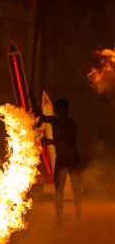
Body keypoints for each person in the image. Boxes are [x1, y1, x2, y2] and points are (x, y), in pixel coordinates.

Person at [29, 91, 82, 230]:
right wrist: (32, 99)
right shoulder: (54, 121)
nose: (58, 111)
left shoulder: (71, 124)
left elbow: (68, 142)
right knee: (59, 192)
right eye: (57, 109)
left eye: (60, 109)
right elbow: (38, 115)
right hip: (61, 160)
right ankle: (59, 222)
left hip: (72, 159)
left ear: (65, 109)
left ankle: (78, 220)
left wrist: (50, 142)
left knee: (77, 191)